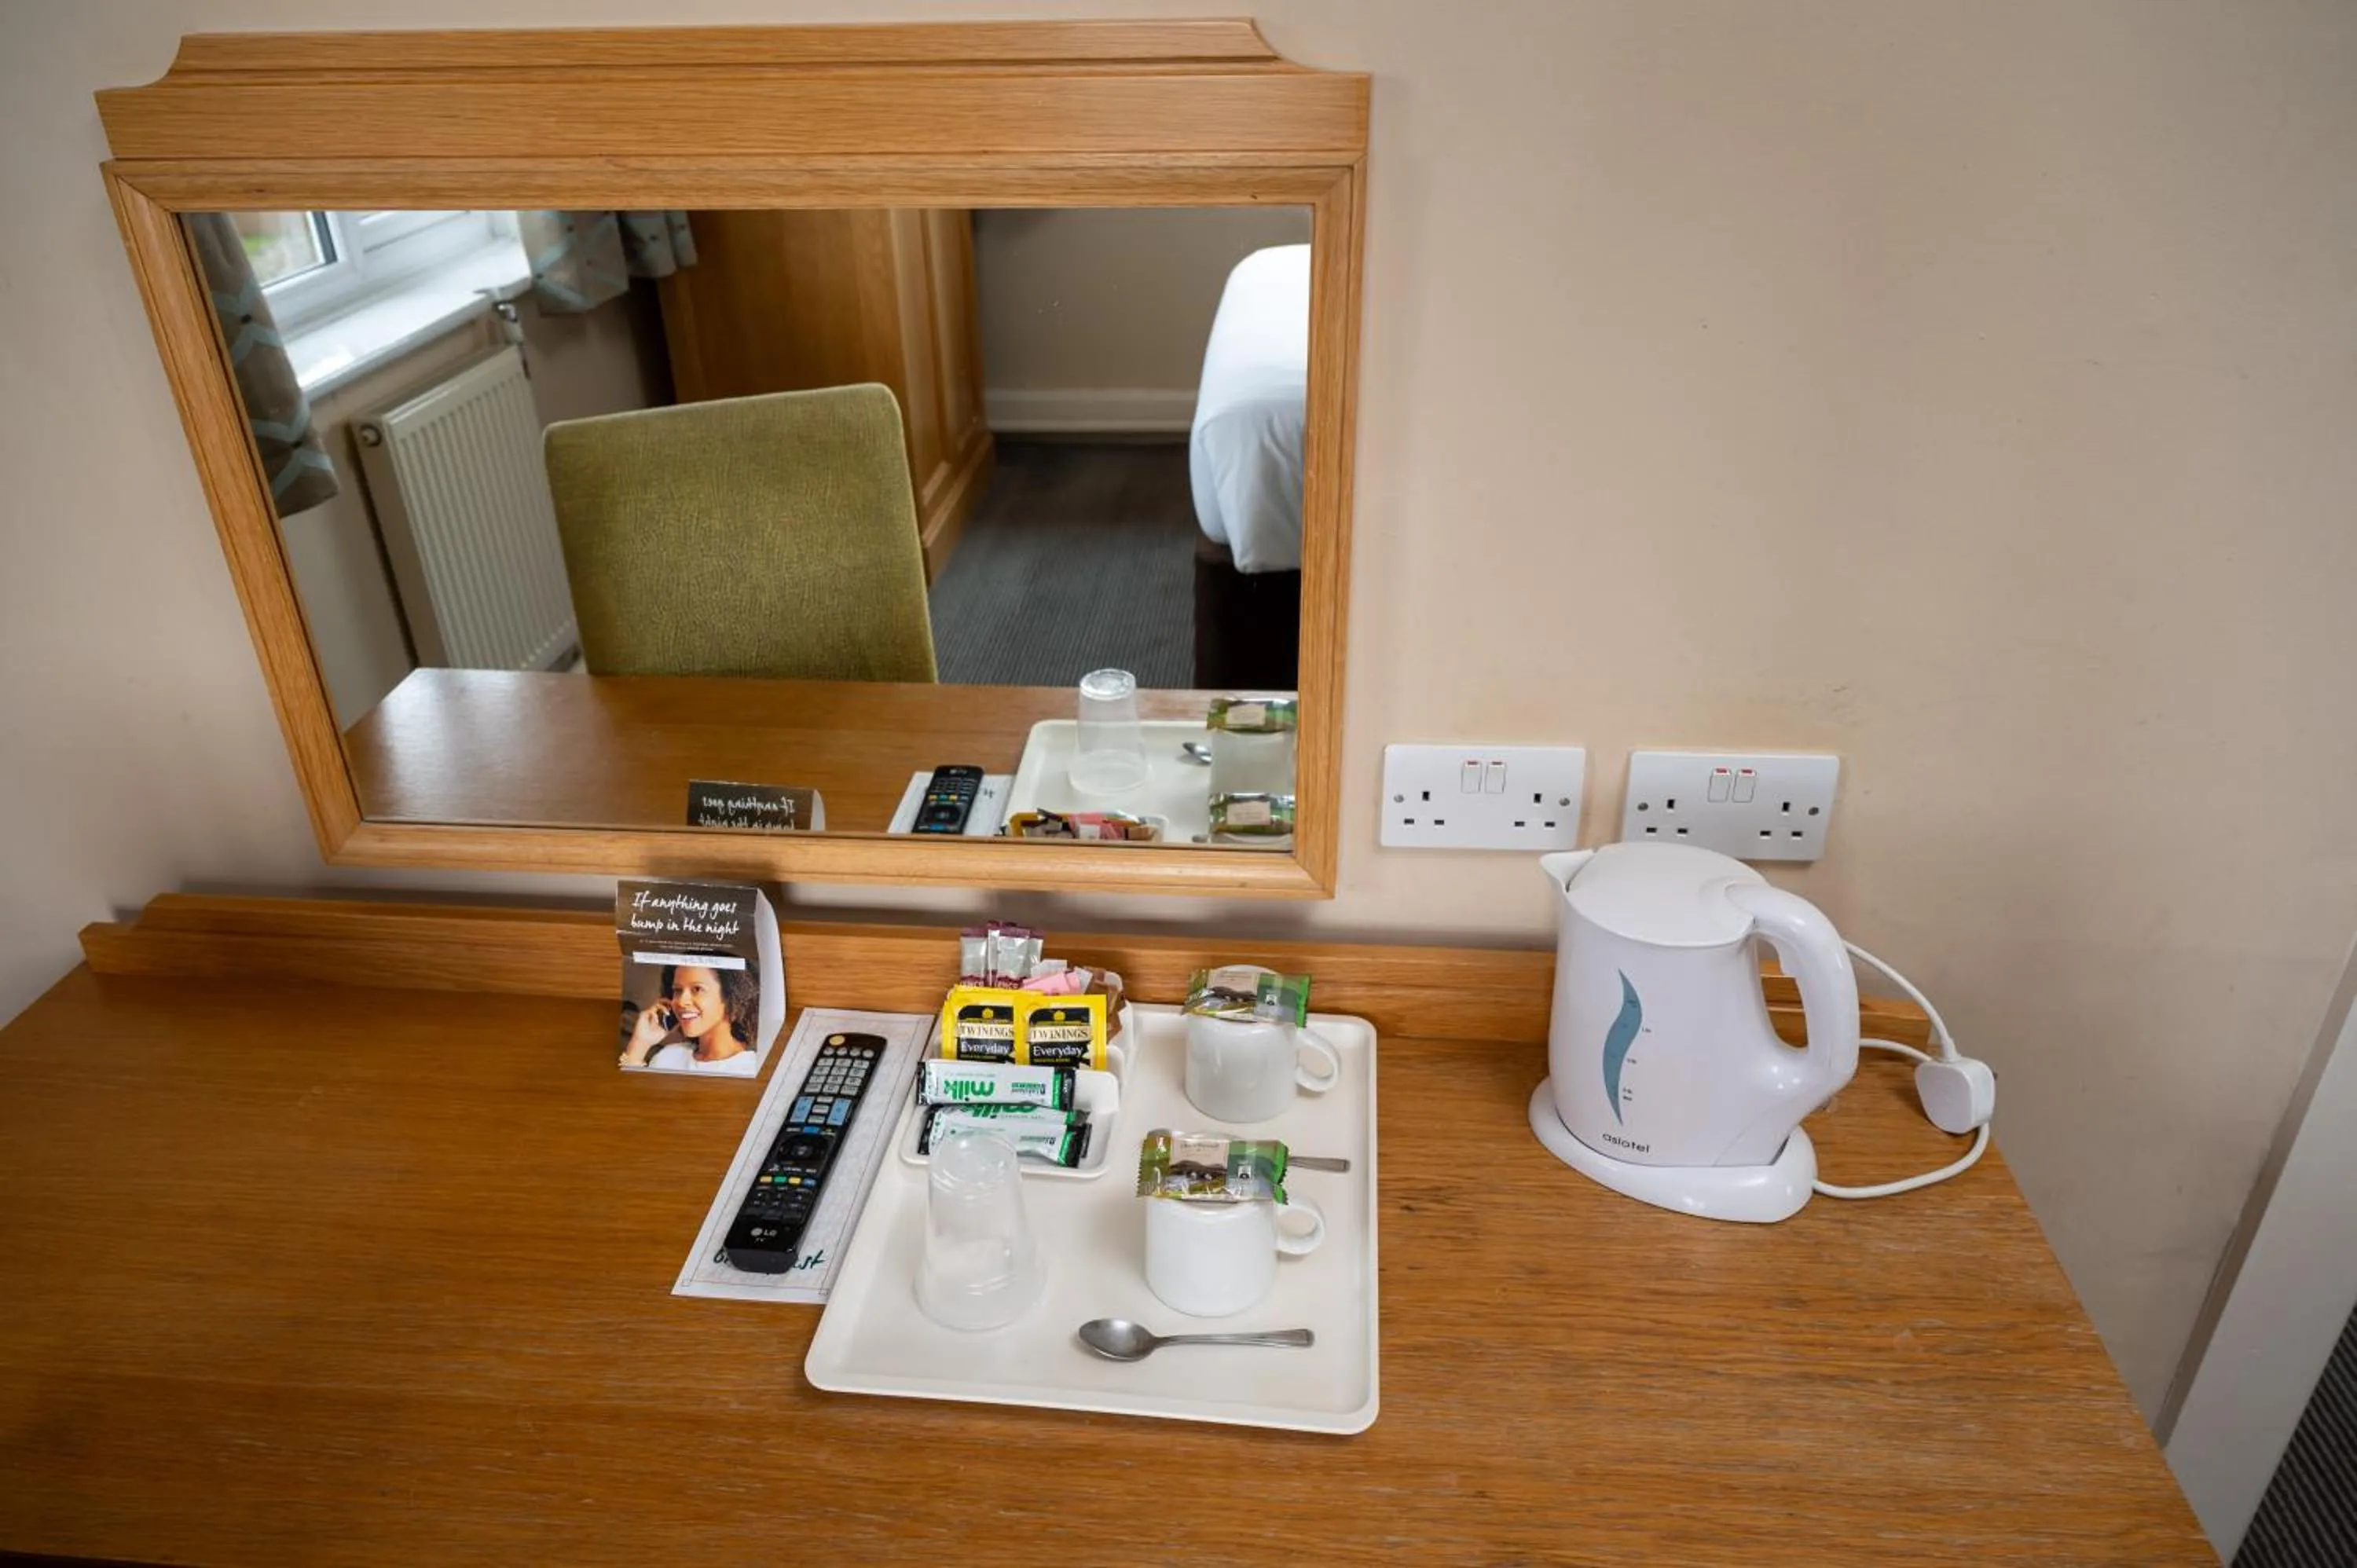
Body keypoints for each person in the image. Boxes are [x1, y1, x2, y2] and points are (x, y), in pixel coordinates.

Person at [620, 962, 761, 1075]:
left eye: (697, 989)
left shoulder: (753, 1069)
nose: (681, 1001)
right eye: (678, 990)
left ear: (733, 999)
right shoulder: (668, 1057)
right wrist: (640, 1044)